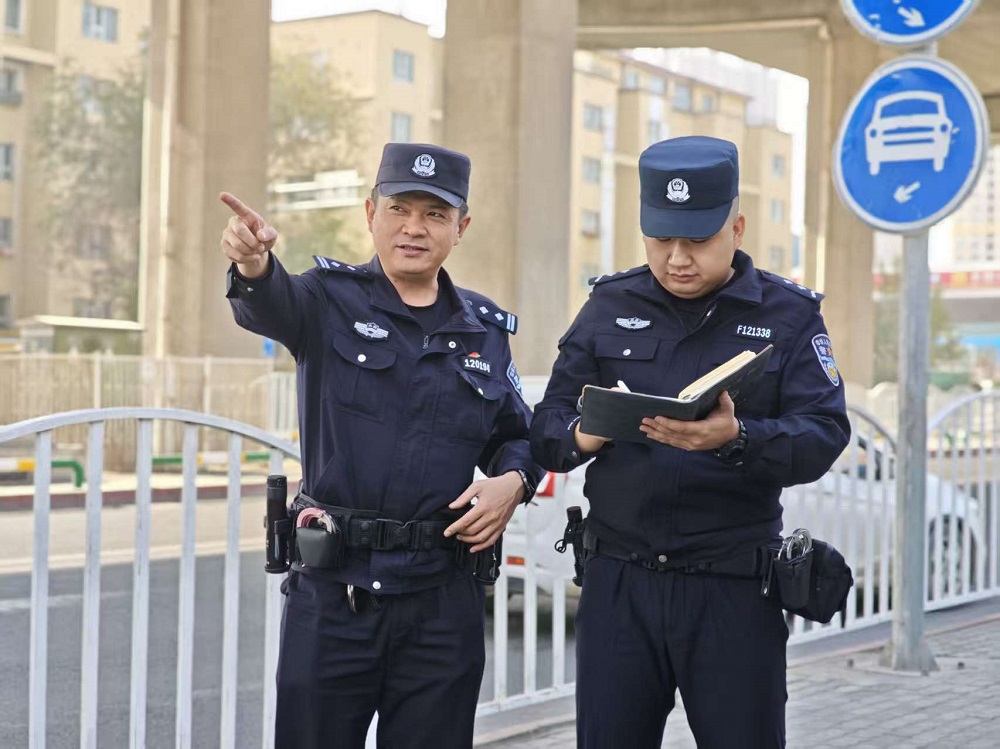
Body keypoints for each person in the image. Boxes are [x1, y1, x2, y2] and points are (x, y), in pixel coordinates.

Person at [529, 136, 851, 748]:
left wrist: (739, 438)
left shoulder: (789, 316)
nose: (677, 258)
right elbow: (547, 429)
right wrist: (585, 434)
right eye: (660, 239)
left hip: (731, 589)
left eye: (697, 241)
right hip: (619, 585)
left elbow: (825, 434)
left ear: (737, 225)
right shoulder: (608, 304)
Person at [221, 142, 545, 749]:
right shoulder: (324, 300)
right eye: (399, 208)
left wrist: (514, 483)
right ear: (370, 211)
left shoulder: (484, 329)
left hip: (441, 602)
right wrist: (254, 266)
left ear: (461, 227)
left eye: (435, 214)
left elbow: (516, 436)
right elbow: (267, 302)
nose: (414, 228)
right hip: (335, 595)